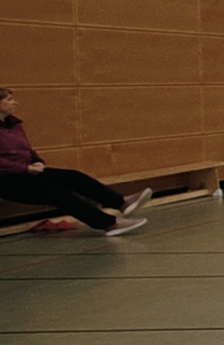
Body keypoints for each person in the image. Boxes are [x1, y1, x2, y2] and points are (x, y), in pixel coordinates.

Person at [0, 88, 148, 236]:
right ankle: (109, 224)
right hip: (5, 178)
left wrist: (37, 160)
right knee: (56, 192)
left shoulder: (13, 124)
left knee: (73, 177)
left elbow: (27, 148)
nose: (15, 102)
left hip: (25, 171)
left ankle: (120, 202)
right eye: (9, 99)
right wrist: (24, 168)